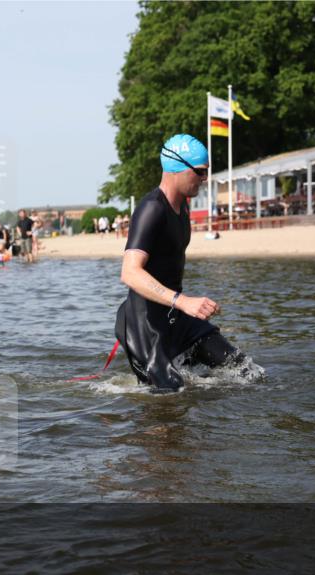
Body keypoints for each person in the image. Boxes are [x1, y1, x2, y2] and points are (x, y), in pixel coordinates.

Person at [114, 134, 250, 392]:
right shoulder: (152, 209)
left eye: (206, 172)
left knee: (244, 371)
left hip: (176, 316)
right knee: (171, 397)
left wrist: (182, 305)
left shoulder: (184, 206)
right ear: (176, 167)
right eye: (199, 172)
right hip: (145, 325)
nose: (204, 179)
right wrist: (183, 301)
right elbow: (130, 272)